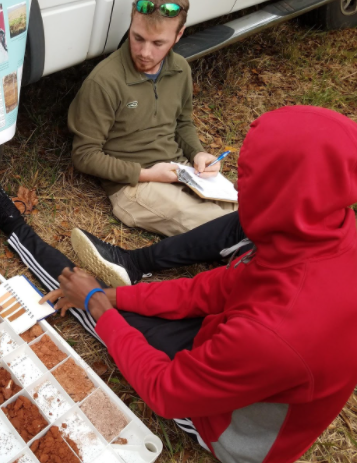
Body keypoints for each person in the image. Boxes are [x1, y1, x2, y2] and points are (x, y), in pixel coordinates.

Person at [41, 106, 357, 461]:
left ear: (276, 191)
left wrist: (97, 303)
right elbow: (211, 289)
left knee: (126, 331)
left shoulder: (274, 334)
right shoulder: (329, 234)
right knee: (127, 314)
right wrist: (115, 295)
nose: (240, 187)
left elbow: (163, 390)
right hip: (249, 357)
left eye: (248, 177)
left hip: (229, 428)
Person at [67, 0, 237, 237]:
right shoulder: (104, 81)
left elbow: (183, 122)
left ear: (178, 35)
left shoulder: (180, 69)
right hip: (134, 185)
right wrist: (147, 174)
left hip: (181, 170)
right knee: (225, 228)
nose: (145, 52)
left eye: (158, 43)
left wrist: (198, 154)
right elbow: (84, 155)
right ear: (131, 23)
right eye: (138, 38)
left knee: (250, 207)